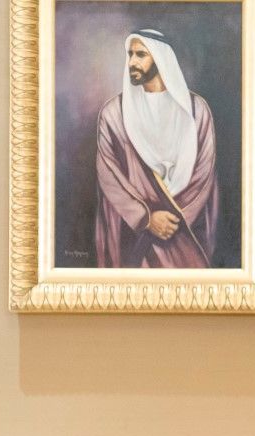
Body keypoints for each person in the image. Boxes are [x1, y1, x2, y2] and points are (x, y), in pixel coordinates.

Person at [95, 28, 219, 268]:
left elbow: (204, 173)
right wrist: (145, 219)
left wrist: (173, 220)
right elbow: (108, 175)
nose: (132, 62)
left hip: (184, 232)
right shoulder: (113, 114)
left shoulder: (197, 111)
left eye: (141, 54)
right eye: (130, 54)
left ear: (162, 58)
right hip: (135, 238)